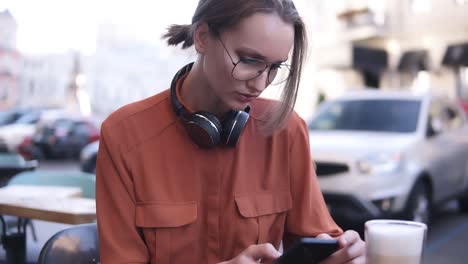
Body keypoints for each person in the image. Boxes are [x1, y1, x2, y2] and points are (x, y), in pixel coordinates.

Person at [95, 0, 366, 263]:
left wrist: (343, 252)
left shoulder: (286, 130)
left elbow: (316, 241)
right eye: (248, 60)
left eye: (274, 67)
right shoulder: (124, 135)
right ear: (202, 37)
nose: (261, 83)